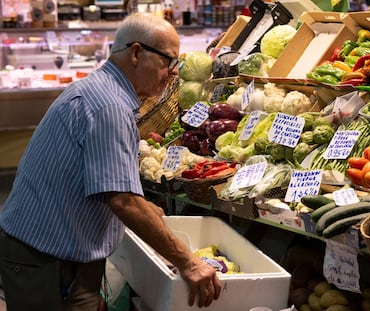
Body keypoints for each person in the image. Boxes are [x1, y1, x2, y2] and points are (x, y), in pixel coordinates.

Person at [0, 12, 221, 311]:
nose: (173, 72)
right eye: (168, 61)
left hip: (48, 252)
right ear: (136, 53)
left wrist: (145, 207)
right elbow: (122, 201)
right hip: (44, 260)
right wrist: (189, 263)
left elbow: (108, 184)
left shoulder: (101, 90)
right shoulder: (110, 107)